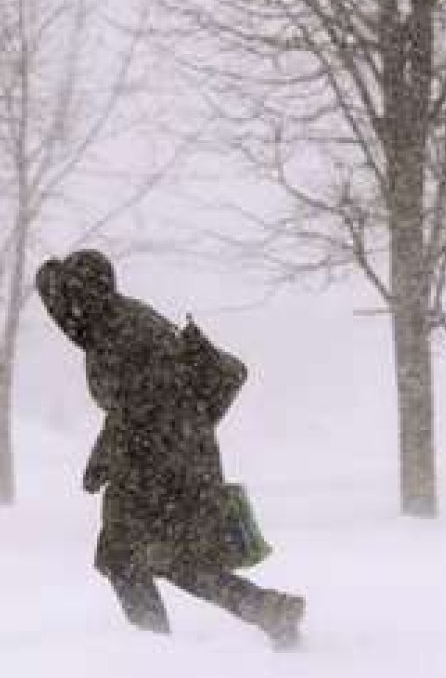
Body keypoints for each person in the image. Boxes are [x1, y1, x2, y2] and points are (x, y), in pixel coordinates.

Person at [35, 249, 305, 649]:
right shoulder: (117, 321)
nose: (64, 314)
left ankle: (154, 654)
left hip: (158, 460)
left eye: (70, 301)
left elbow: (142, 406)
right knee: (176, 560)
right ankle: (265, 609)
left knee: (123, 557)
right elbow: (138, 403)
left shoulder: (120, 333)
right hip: (177, 454)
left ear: (87, 297)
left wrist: (105, 457)